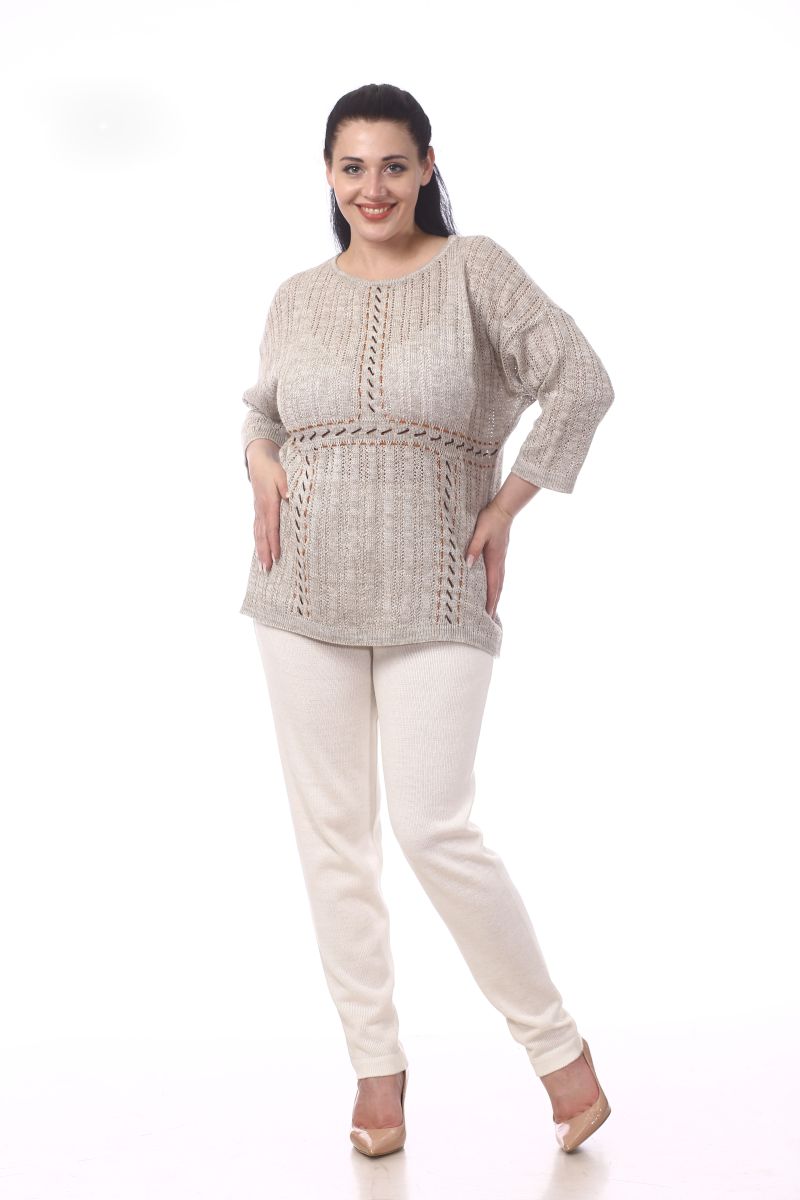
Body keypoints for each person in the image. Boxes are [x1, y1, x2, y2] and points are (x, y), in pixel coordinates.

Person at [239, 83, 614, 1158]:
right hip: (296, 591)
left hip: (437, 586)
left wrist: (507, 507)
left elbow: (582, 381)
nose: (373, 188)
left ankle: (558, 1051)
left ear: (427, 168)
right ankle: (376, 1072)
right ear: (328, 174)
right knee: (334, 842)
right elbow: (262, 408)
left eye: (393, 166)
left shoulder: (475, 271)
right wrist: (258, 460)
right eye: (352, 167)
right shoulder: (295, 295)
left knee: (432, 826)